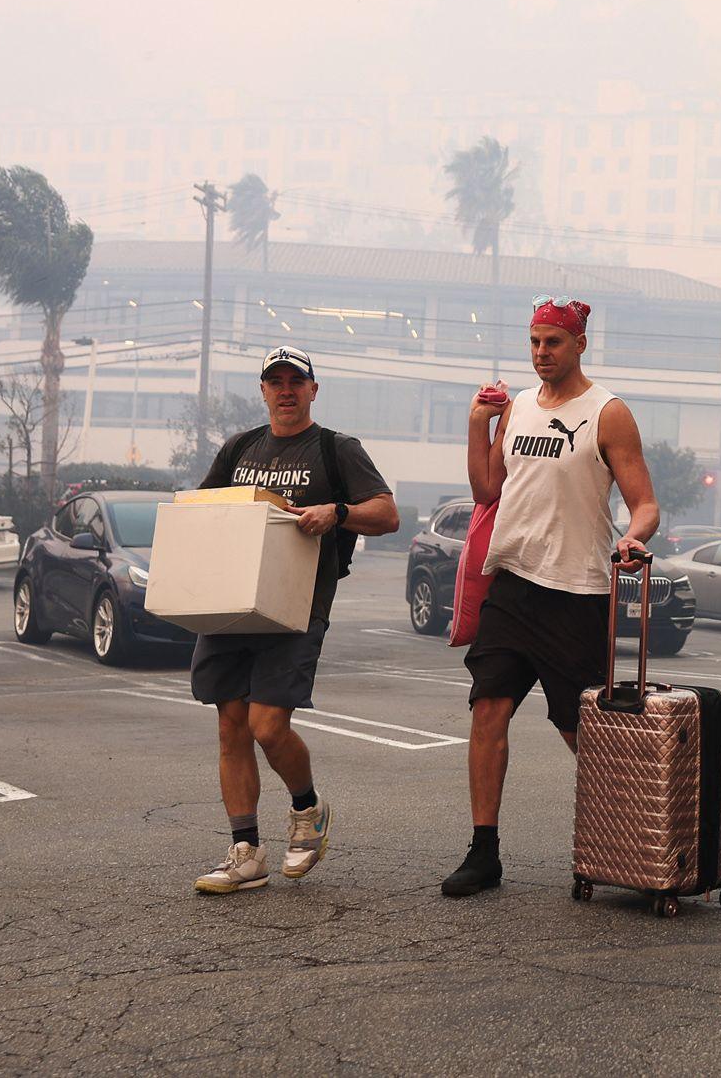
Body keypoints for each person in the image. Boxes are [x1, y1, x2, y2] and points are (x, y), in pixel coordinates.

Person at [441, 295, 659, 899]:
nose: (541, 353)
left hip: (576, 592)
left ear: (580, 344)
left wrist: (635, 539)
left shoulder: (608, 413)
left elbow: (645, 504)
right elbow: (487, 488)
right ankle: (484, 852)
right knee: (488, 710)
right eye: (534, 342)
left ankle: (641, 843)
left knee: (579, 731)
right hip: (512, 584)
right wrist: (477, 423)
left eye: (553, 342)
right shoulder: (515, 411)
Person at [189, 345, 399, 895]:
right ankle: (245, 852)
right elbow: (205, 512)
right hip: (232, 602)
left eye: (295, 382)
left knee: (267, 725)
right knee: (230, 724)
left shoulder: (336, 449)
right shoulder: (238, 448)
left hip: (297, 605)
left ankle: (308, 810)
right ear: (262, 390)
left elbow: (387, 512)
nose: (285, 391)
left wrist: (340, 512)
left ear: (312, 389)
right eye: (275, 382)